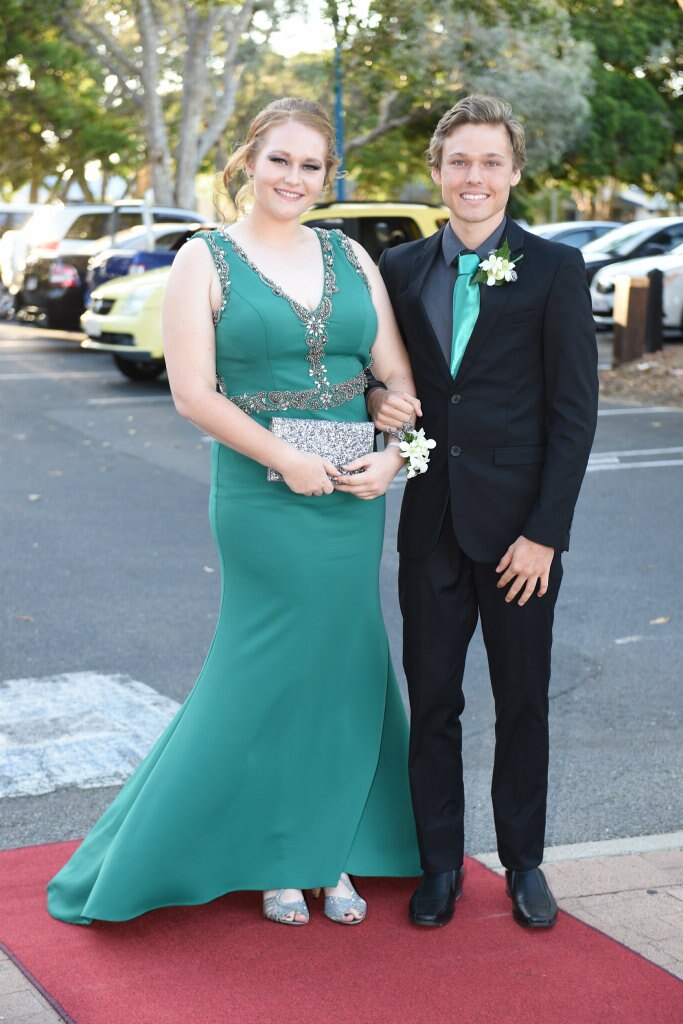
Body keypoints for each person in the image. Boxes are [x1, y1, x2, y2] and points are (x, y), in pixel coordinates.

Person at [47, 97, 421, 928]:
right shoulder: (203, 259)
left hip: (352, 494)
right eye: (280, 159)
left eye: (312, 165)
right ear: (250, 160)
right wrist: (287, 457)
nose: (295, 177)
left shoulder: (352, 257)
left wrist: (391, 455)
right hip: (262, 491)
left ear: (329, 177)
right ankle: (279, 854)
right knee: (266, 670)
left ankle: (334, 851)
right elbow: (191, 393)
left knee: (345, 664)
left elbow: (395, 378)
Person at [348, 95, 598, 929]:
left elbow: (572, 416)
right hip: (429, 530)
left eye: (490, 162)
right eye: (460, 161)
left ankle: (524, 863)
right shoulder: (401, 269)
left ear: (513, 173)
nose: (474, 177)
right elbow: (377, 377)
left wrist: (545, 535)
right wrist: (382, 396)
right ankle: (439, 865)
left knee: (522, 701)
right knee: (435, 703)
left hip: (520, 536)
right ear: (436, 171)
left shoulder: (556, 269)